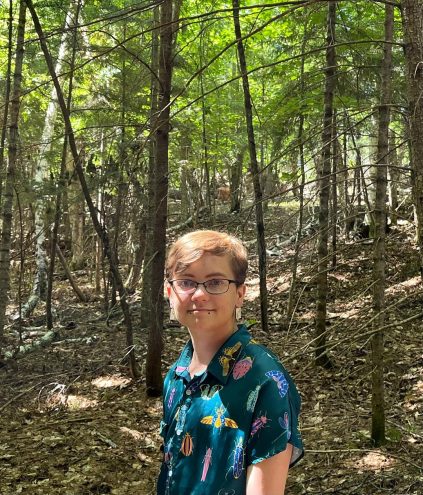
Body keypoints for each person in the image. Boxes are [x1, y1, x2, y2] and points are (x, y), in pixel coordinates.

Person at [157, 230, 303, 495]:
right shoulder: (177, 375)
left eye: (215, 283)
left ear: (239, 293)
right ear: (170, 291)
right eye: (187, 282)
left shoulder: (265, 381)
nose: (199, 294)